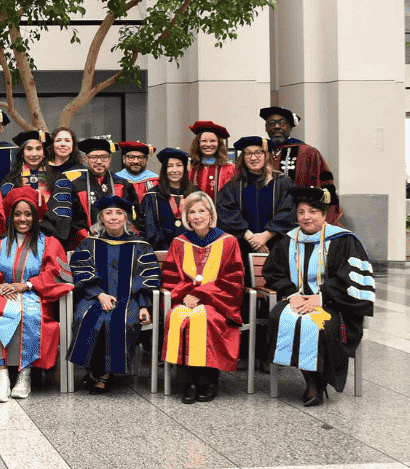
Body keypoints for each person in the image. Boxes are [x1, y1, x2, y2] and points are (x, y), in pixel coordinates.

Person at [264, 186, 373, 405]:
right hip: (296, 300)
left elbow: (351, 279)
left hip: (336, 304)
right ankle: (312, 380)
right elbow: (274, 273)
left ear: (324, 215)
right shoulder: (288, 241)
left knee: (321, 324)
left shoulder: (344, 240)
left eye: (313, 211)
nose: (306, 217)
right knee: (279, 316)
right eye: (301, 212)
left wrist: (321, 299)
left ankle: (316, 383)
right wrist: (291, 294)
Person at [0, 187, 72, 401]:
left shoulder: (49, 244)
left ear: (35, 216)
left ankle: (25, 375)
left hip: (36, 297)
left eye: (27, 214)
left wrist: (26, 286)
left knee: (27, 314)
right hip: (1, 294)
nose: (22, 219)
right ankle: (3, 377)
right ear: (10, 216)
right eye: (17, 214)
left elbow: (58, 275)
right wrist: (1, 288)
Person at [68, 195, 158, 394]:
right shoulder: (89, 244)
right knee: (88, 318)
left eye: (119, 213)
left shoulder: (140, 245)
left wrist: (144, 305)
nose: (114, 217)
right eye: (108, 213)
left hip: (129, 300)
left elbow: (147, 278)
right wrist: (99, 294)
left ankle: (102, 375)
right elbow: (81, 270)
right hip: (94, 296)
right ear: (101, 217)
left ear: (126, 218)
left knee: (119, 321)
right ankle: (96, 372)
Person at [160, 192, 243, 404]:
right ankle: (187, 382)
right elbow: (169, 278)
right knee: (177, 317)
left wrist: (201, 295)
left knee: (206, 319)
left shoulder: (229, 242)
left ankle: (208, 380)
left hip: (217, 301)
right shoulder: (179, 243)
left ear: (211, 214)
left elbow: (233, 280)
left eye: (201, 211)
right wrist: (186, 296)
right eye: (192, 212)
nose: (197, 216)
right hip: (185, 298)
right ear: (186, 218)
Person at [216, 136, 296, 258]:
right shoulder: (234, 185)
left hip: (277, 247)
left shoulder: (282, 183)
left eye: (258, 152)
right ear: (243, 158)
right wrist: (250, 237)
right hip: (243, 247)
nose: (253, 158)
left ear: (266, 155)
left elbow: (289, 211)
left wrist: (266, 235)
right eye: (248, 153)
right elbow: (226, 212)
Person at [262, 106, 342, 224]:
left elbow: (324, 183)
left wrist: (328, 216)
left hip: (300, 220)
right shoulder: (259, 153)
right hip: (263, 218)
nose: (276, 127)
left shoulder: (308, 152)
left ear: (290, 127)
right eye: (271, 123)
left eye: (282, 123)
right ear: (266, 128)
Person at [6, 129, 75, 242]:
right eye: (29, 149)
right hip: (18, 239)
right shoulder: (10, 179)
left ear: (44, 153)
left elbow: (63, 212)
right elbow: (6, 211)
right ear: (22, 153)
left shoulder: (59, 179)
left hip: (50, 237)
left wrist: (42, 228)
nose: (34, 154)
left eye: (38, 149)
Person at [70, 138, 137, 250]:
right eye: (94, 157)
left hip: (120, 242)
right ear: (86, 159)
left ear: (110, 159)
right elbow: (75, 219)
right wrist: (87, 238)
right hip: (88, 243)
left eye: (104, 157)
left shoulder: (122, 184)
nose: (99, 161)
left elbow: (132, 214)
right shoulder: (76, 185)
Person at [139, 148, 194, 250]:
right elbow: (149, 230)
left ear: (185, 168)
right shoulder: (152, 196)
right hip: (162, 252)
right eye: (170, 166)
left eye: (179, 165)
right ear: (164, 169)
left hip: (192, 250)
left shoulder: (195, 194)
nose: (174, 170)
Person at [187, 121, 235, 199]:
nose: (208, 145)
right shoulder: (190, 169)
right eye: (204, 141)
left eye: (212, 141)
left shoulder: (230, 169)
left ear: (219, 144)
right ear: (198, 144)